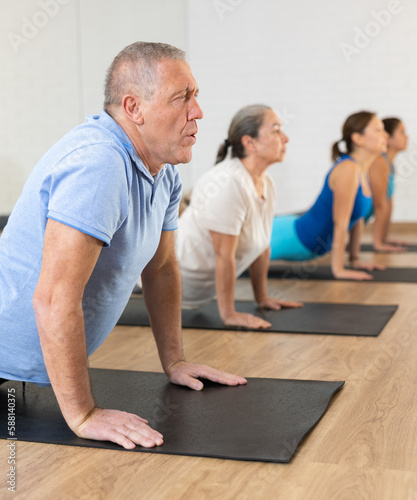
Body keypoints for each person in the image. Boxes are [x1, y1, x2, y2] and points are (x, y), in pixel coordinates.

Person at [0, 42, 246, 450]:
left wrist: (175, 360)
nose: (198, 111)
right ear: (134, 108)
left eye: (196, 96)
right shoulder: (100, 163)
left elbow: (162, 268)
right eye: (182, 98)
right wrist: (83, 415)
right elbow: (54, 298)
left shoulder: (163, 172)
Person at [176, 105, 302, 330]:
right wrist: (229, 314)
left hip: (200, 288)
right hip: (175, 279)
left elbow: (262, 245)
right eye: (276, 130)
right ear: (249, 142)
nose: (286, 138)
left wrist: (262, 297)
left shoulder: (266, 182)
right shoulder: (228, 182)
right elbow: (224, 254)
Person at [270, 111, 387, 280]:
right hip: (289, 236)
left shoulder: (361, 170)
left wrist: (354, 260)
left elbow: (357, 218)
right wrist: (339, 270)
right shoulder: (348, 169)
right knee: (227, 256)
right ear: (358, 138)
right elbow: (341, 223)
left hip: (298, 235)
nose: (385, 135)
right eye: (378, 129)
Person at [367, 117, 409, 251]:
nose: (406, 137)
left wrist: (385, 239)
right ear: (389, 138)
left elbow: (388, 204)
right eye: (402, 132)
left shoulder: (389, 164)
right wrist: (378, 244)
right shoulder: (379, 161)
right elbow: (380, 205)